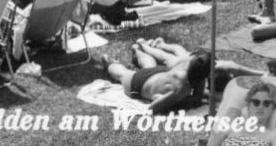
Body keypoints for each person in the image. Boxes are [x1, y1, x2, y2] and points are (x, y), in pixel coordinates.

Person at [105, 39, 261, 115]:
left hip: (158, 74)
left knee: (148, 65)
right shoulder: (180, 89)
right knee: (122, 74)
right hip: (138, 84)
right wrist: (174, 102)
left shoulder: (189, 67)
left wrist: (196, 100)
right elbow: (153, 108)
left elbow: (198, 98)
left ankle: (137, 50)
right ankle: (108, 63)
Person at [188, 80, 276, 146]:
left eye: (267, 103)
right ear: (249, 105)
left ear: (273, 108)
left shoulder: (275, 136)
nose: (260, 107)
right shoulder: (230, 128)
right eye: (256, 102)